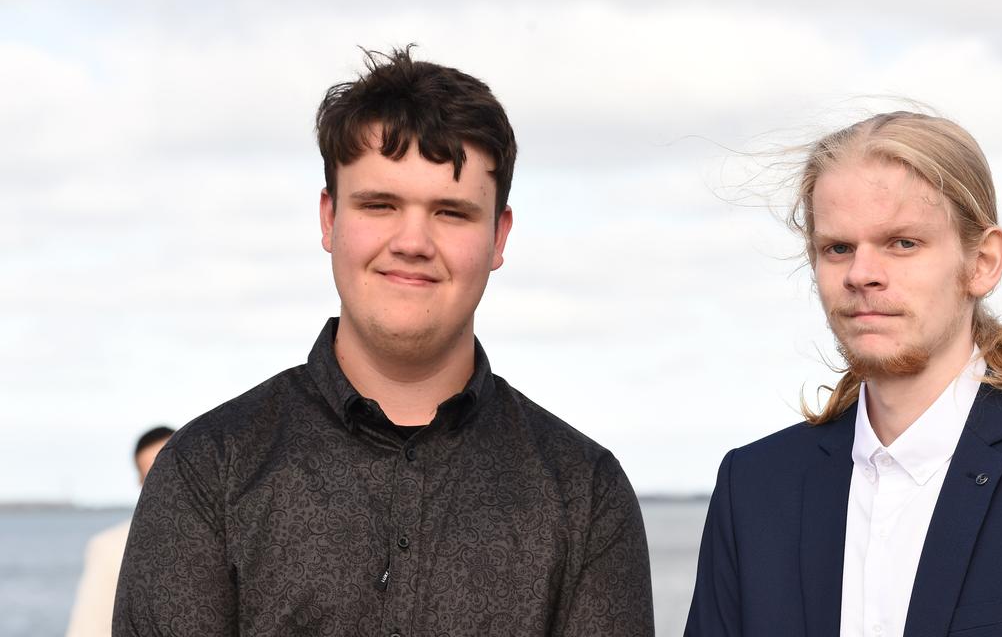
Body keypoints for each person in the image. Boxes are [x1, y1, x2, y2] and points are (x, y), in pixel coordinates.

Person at [115, 47, 654, 636]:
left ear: (499, 236)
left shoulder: (586, 495)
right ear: (329, 219)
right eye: (380, 204)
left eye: (450, 212)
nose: (412, 241)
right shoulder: (204, 474)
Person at [685, 112, 1002, 636]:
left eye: (903, 243)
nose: (861, 273)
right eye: (838, 248)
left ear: (982, 262)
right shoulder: (754, 486)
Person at [65, 426, 172, 637]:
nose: (167, 482)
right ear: (141, 483)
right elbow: (87, 629)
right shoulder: (111, 548)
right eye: (154, 475)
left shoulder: (231, 535)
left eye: (173, 470)